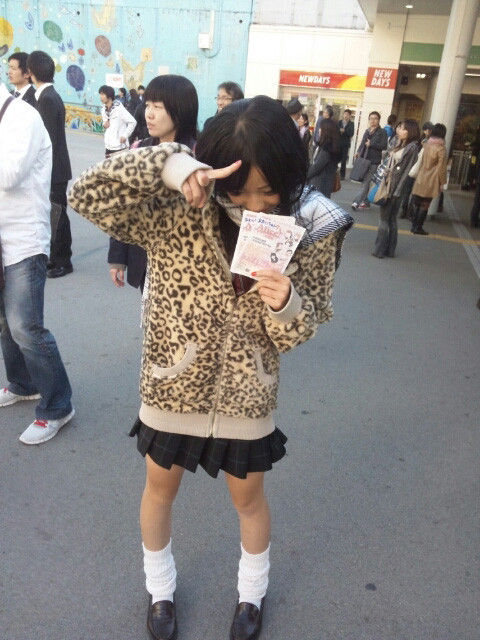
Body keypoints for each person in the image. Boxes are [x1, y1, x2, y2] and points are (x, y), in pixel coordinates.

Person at [68, 95, 353, 640]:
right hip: (172, 384)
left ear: (290, 176)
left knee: (249, 499)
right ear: (218, 170)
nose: (255, 205)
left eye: (269, 192)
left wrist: (286, 303)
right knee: (159, 489)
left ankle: (251, 595)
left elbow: (300, 329)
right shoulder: (177, 204)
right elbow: (85, 193)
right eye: (240, 190)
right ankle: (160, 590)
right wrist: (171, 165)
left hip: (248, 392)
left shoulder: (309, 223)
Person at [0, 82, 74, 444]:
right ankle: (22, 383)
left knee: (25, 327)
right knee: (5, 323)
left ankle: (58, 406)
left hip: (24, 240)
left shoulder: (22, 117)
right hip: (2, 240)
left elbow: (10, 174)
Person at [109, 74, 199, 293]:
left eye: (157, 107)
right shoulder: (139, 151)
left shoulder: (199, 154)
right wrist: (118, 258)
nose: (148, 113)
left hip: (186, 266)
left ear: (180, 110)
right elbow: (123, 207)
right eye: (148, 105)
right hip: (147, 261)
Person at [27, 50, 73, 279]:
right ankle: (58, 258)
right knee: (56, 214)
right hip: (56, 168)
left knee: (57, 215)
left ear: (31, 72)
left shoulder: (46, 99)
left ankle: (62, 260)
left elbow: (47, 141)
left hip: (54, 169)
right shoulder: (48, 95)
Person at [372, 119, 420, 258]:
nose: (399, 130)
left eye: (403, 128)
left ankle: (379, 250)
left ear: (410, 131)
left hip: (393, 188)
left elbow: (406, 173)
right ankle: (389, 250)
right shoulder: (401, 143)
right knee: (391, 219)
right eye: (399, 127)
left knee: (384, 219)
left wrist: (397, 191)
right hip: (390, 185)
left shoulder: (412, 148)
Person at [410, 123, 447, 235]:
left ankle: (413, 226)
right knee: (425, 204)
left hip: (421, 176)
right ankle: (418, 227)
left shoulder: (427, 145)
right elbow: (441, 167)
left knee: (417, 202)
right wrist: (442, 182)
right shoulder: (441, 149)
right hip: (432, 179)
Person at [351, 111, 388, 211]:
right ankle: (366, 202)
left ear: (379, 120)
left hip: (374, 161)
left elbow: (384, 146)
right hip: (364, 159)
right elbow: (363, 143)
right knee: (365, 181)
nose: (373, 120)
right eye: (371, 118)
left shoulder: (382, 132)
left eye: (375, 118)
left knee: (367, 182)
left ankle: (356, 202)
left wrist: (371, 144)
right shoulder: (367, 131)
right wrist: (358, 152)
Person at [99, 84, 136, 157]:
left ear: (109, 96)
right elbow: (105, 123)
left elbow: (133, 122)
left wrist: (125, 135)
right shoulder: (103, 109)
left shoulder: (119, 109)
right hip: (108, 146)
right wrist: (104, 124)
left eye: (102, 94)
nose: (100, 97)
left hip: (120, 147)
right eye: (100, 94)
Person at [307, 118, 341, 197]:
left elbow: (316, 167)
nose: (319, 130)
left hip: (320, 185)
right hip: (324, 185)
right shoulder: (330, 146)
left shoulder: (327, 149)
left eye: (320, 128)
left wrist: (304, 176)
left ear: (326, 131)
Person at [337, 109, 354, 179]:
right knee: (336, 158)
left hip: (345, 144)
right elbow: (335, 130)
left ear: (350, 116)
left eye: (347, 114)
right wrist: (339, 131)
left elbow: (351, 133)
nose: (346, 116)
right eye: (345, 114)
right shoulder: (339, 122)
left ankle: (342, 175)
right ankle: (334, 172)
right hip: (338, 143)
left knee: (344, 160)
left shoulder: (351, 124)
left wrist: (344, 131)